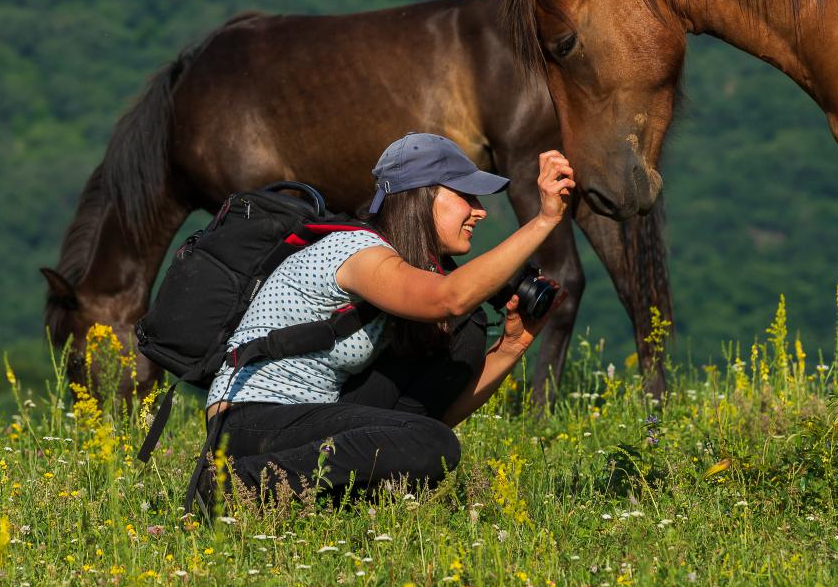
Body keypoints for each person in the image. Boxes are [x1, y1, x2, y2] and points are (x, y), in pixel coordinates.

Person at [199, 131, 574, 506]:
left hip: (307, 420)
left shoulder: (399, 265)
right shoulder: (359, 253)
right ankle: (229, 490)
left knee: (457, 349)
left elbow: (434, 417)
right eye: (466, 195)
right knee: (435, 434)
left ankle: (330, 497)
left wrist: (511, 345)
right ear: (422, 197)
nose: (480, 210)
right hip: (250, 421)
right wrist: (544, 220)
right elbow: (451, 298)